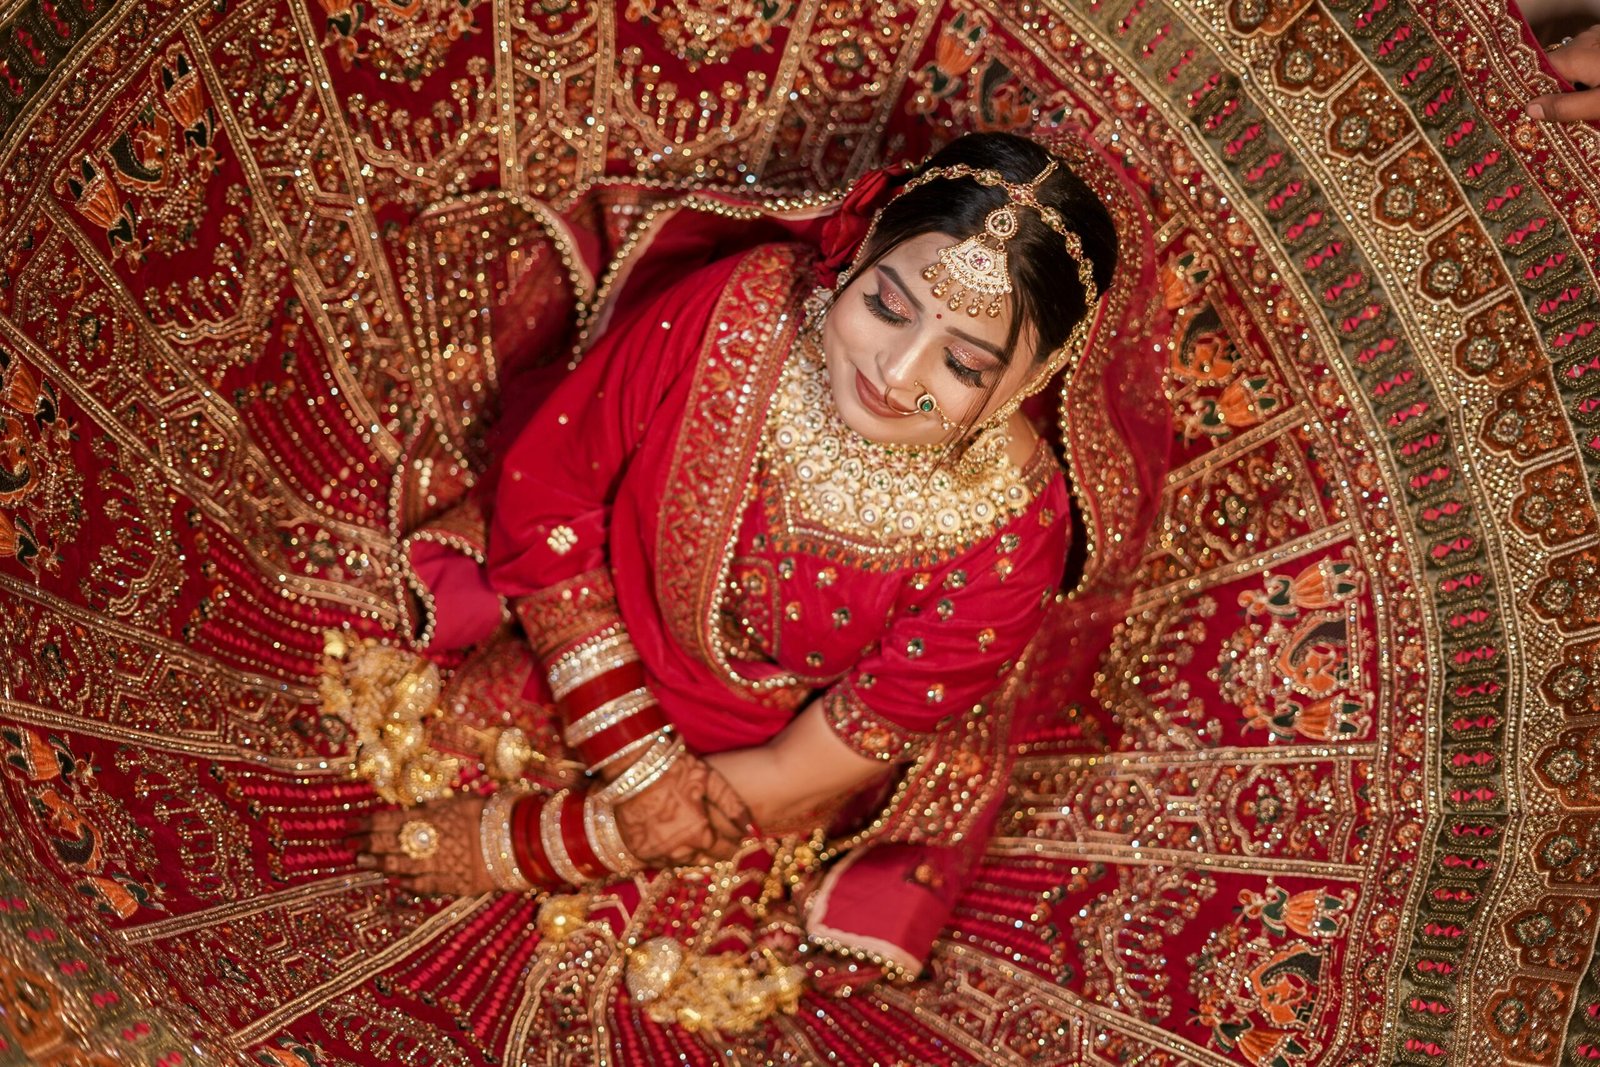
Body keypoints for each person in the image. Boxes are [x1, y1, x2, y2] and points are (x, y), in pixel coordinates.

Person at [332, 131, 1123, 1029]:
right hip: (586, 639)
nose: (896, 374)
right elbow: (554, 493)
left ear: (1035, 378)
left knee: (631, 990)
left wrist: (563, 840)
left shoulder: (1011, 532)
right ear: (857, 253)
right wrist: (636, 759)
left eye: (966, 363)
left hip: (752, 785)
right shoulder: (747, 306)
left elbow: (841, 747)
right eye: (888, 306)